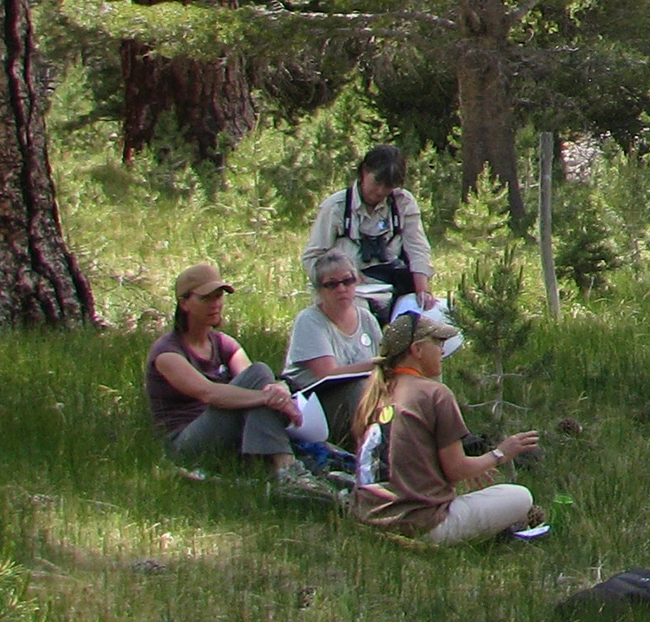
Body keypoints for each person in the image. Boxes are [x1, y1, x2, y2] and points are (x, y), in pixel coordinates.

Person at [144, 263, 343, 502]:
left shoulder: (224, 343)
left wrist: (278, 389)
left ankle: (291, 470)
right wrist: (267, 396)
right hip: (187, 442)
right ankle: (286, 469)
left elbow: (257, 379)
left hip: (228, 434)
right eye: (206, 297)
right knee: (260, 379)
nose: (216, 303)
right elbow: (209, 393)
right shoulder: (167, 353)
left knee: (261, 378)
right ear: (184, 303)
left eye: (219, 296)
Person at [350, 314, 541, 545]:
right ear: (417, 350)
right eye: (438, 343)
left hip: (367, 518)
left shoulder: (374, 393)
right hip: (419, 526)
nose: (442, 351)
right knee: (520, 496)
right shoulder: (435, 393)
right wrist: (500, 454)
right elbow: (456, 470)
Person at [302, 144, 436, 323]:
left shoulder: (403, 203)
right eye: (377, 183)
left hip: (391, 287)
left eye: (388, 186)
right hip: (348, 291)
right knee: (361, 318)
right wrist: (341, 282)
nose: (381, 191)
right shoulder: (336, 207)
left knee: (426, 321)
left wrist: (422, 291)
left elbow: (418, 249)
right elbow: (313, 257)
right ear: (364, 171)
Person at [283, 251, 383, 448]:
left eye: (347, 281)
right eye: (332, 284)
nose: (341, 289)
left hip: (362, 399)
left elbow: (383, 358)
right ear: (319, 290)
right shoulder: (310, 321)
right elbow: (327, 374)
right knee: (361, 388)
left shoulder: (366, 318)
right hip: (314, 408)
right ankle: (370, 455)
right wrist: (378, 365)